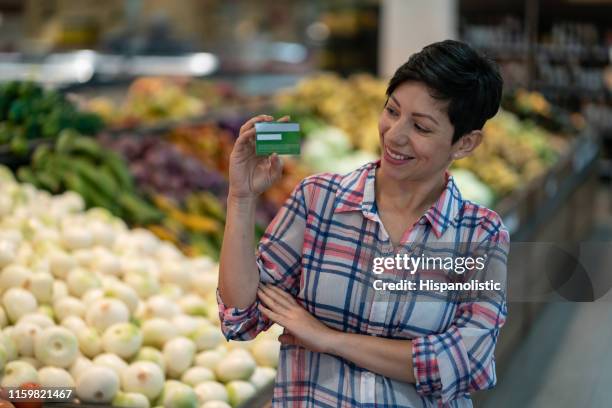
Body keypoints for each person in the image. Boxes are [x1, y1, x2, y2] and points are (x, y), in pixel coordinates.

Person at [217, 39, 510, 407]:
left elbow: (468, 361)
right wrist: (240, 199)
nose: (395, 134)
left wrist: (328, 338)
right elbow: (241, 317)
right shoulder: (318, 200)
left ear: (465, 144)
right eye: (392, 110)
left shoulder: (479, 235)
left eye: (420, 127)